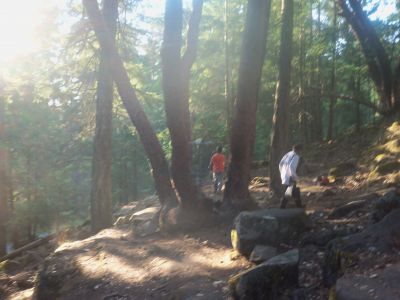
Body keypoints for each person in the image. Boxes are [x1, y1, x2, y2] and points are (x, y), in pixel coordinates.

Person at [279, 144, 303, 208]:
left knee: (291, 192)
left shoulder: (288, 154)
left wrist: (282, 173)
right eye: (301, 151)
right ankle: (298, 207)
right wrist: (294, 176)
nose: (301, 152)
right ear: (299, 150)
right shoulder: (296, 156)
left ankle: (298, 206)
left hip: (285, 176)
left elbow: (280, 164)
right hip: (290, 177)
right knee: (293, 191)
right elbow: (291, 167)